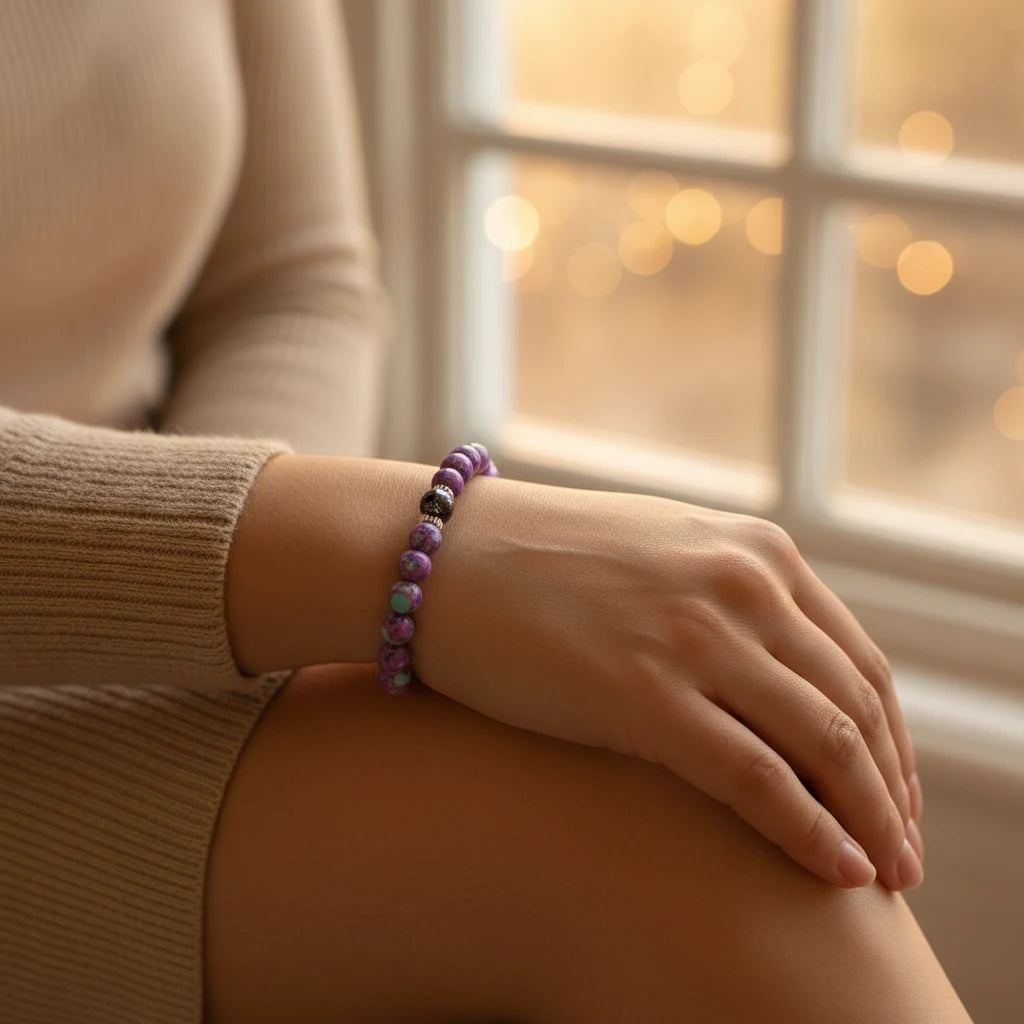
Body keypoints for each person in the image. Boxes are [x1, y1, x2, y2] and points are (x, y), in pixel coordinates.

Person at [0, 3, 973, 1022]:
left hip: (151, 651)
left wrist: (216, 652)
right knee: (657, 838)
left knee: (698, 778)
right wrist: (411, 558)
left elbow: (287, 285)